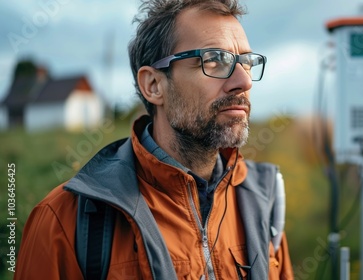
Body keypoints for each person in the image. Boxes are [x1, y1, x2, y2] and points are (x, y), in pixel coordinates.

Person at [14, 0, 294, 279]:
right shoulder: (64, 221)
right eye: (215, 60)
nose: (244, 81)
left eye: (246, 62)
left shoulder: (261, 201)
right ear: (154, 85)